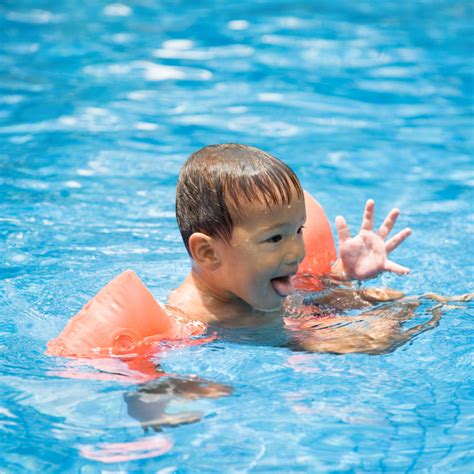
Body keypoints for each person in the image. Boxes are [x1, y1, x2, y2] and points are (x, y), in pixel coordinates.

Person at [167, 143, 412, 330]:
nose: (297, 252)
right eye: (275, 239)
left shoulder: (261, 283)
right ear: (208, 253)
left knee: (418, 304)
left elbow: (314, 302)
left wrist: (344, 277)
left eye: (298, 231)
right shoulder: (189, 320)